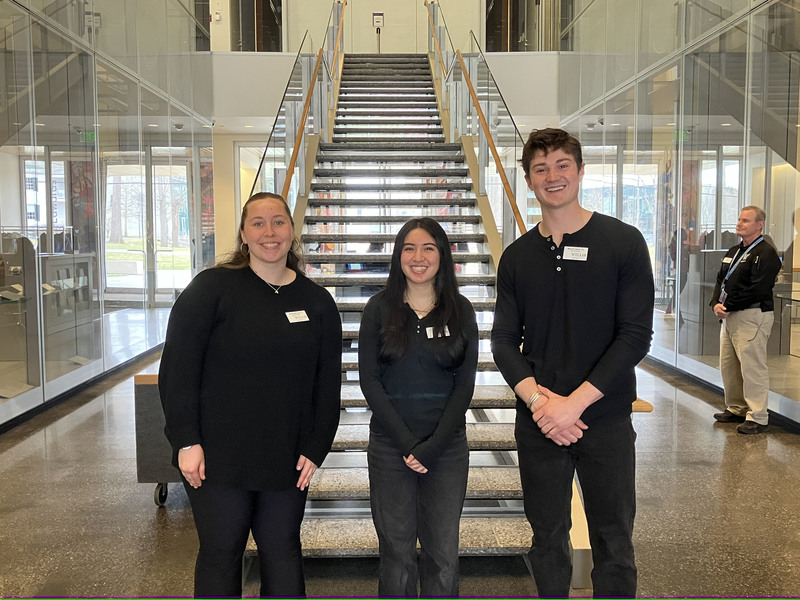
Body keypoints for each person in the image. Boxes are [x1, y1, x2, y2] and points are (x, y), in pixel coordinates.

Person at [491, 128, 654, 598]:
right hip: (540, 423)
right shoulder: (517, 257)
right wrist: (544, 405)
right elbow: (503, 342)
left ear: (581, 172)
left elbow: (635, 336)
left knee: (614, 538)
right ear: (529, 180)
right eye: (540, 168)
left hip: (604, 420)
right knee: (546, 539)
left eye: (563, 165)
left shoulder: (622, 243)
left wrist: (574, 405)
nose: (553, 176)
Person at [159, 192, 342, 598]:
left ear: (291, 231)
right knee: (222, 552)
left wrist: (317, 447)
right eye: (257, 223)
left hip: (287, 456)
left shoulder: (317, 302)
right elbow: (177, 371)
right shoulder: (212, 289)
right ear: (243, 233)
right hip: (218, 456)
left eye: (278, 221)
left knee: (282, 552)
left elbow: (328, 385)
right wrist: (186, 440)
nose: (269, 232)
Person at [358, 217, 478, 597]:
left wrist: (433, 445)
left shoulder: (461, 310)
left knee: (443, 554)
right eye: (409, 248)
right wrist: (408, 444)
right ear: (397, 256)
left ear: (443, 255)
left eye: (429, 247)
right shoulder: (378, 309)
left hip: (447, 449)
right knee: (396, 554)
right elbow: (370, 382)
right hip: (390, 448)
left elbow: (465, 385)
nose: (418, 256)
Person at [710, 206, 781, 435]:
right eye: (739, 219)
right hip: (730, 316)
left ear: (759, 225)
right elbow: (720, 280)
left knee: (752, 367)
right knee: (729, 366)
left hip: (752, 315)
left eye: (746, 220)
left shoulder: (766, 252)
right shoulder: (733, 251)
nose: (739, 223)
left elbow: (758, 288)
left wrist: (728, 306)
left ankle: (758, 416)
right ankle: (737, 408)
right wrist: (715, 304)